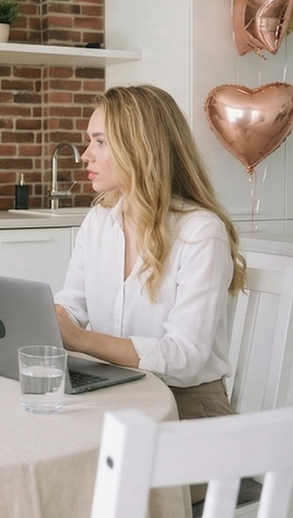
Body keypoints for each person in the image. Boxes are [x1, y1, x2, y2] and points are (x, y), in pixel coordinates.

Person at [54, 84, 247, 425]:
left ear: (139, 148)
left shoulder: (200, 231)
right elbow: (72, 307)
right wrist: (40, 317)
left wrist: (80, 339)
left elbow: (184, 356)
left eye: (100, 141)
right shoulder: (99, 221)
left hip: (186, 408)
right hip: (115, 393)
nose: (85, 155)